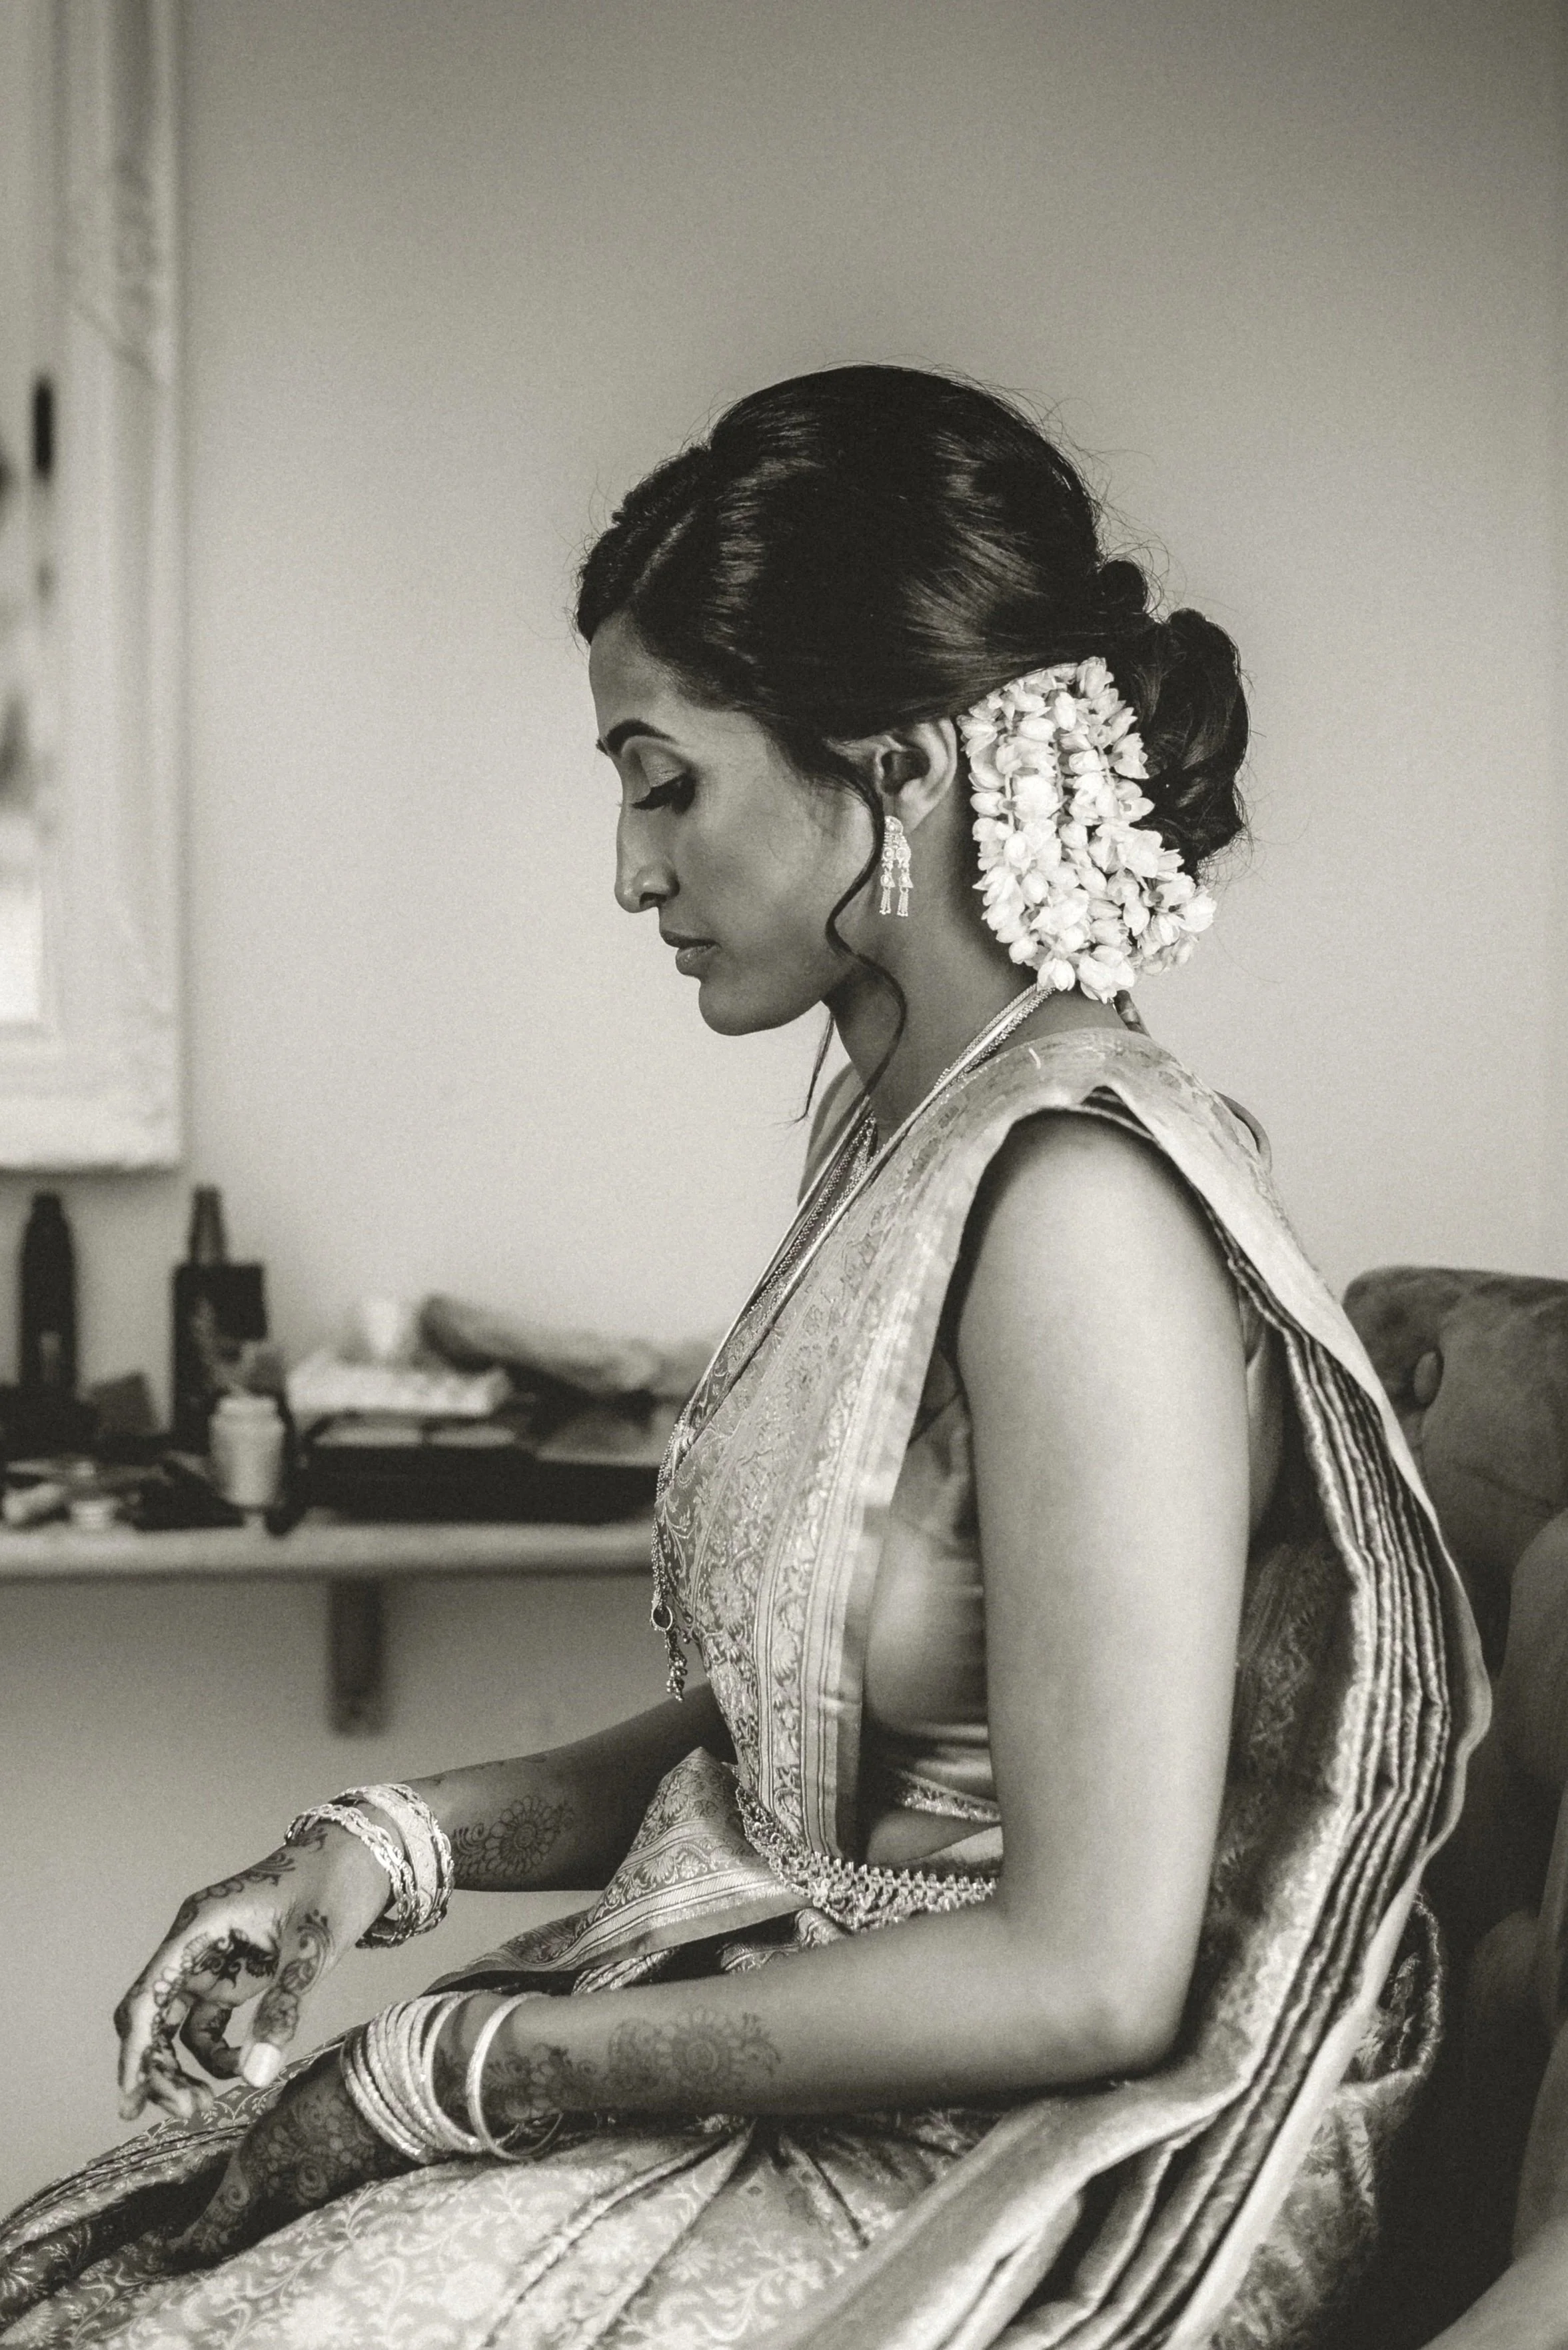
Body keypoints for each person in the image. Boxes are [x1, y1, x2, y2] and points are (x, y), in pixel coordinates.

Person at [0, 367, 1489, 2349]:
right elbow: (804, 1754)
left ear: (896, 759)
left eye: (663, 776)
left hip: (981, 2154)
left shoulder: (1077, 1213)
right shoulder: (910, 1135)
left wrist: (464, 2065)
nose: (630, 870)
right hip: (854, 2067)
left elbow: (1091, 1974)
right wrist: (384, 1846)